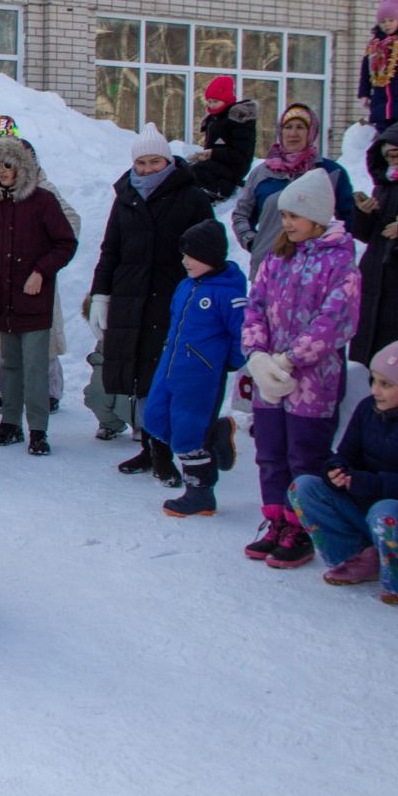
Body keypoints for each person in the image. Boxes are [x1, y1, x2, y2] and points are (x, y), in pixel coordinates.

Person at [242, 167, 362, 569]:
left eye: (295, 215)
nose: (287, 222)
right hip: (268, 377)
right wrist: (257, 356)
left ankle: (301, 525)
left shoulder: (340, 262)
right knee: (270, 451)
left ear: (319, 216)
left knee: (304, 455)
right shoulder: (277, 257)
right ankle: (275, 520)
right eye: (285, 215)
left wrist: (289, 358)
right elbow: (255, 306)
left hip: (312, 380)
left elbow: (334, 322)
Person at [89, 123, 214, 484]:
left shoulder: (191, 197)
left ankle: (167, 452)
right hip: (131, 297)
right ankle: (149, 446)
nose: (146, 169)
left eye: (154, 162)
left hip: (172, 297)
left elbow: (208, 247)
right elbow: (110, 248)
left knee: (164, 376)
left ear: (168, 161)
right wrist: (101, 292)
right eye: (140, 163)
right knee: (140, 379)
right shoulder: (125, 195)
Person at [0, 136, 78, 456]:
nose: (4, 171)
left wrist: (41, 271)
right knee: (10, 364)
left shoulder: (43, 200)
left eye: (9, 165)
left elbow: (66, 243)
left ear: (23, 166)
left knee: (35, 366)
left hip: (33, 297)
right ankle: (10, 423)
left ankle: (37, 429)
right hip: (3, 298)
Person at [289, 339, 398, 605]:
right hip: (368, 507)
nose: (375, 390)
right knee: (305, 488)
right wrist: (336, 470)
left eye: (386, 384)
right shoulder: (368, 408)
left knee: (386, 513)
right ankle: (360, 557)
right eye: (374, 380)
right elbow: (346, 453)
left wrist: (373, 484)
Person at [140, 220, 246, 517]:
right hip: (171, 366)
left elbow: (243, 335)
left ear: (211, 255)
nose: (184, 261)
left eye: (191, 255)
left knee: (187, 432)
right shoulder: (185, 286)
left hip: (201, 374)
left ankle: (200, 492)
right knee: (154, 418)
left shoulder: (229, 294)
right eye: (184, 254)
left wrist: (229, 362)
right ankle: (215, 433)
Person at [231, 103, 353, 277]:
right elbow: (241, 215)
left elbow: (348, 219)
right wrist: (253, 242)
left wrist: (331, 247)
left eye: (300, 127)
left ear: (311, 131)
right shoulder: (262, 172)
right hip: (268, 267)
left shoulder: (330, 172)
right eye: (288, 127)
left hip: (314, 271)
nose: (293, 133)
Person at [349, 121, 398, 374]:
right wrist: (363, 214)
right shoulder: (383, 187)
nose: (395, 161)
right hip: (376, 283)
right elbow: (368, 236)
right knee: (371, 360)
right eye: (390, 156)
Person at [187, 75, 257, 202]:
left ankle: (213, 193)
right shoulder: (216, 118)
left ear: (227, 99)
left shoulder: (238, 119)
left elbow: (241, 155)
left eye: (216, 101)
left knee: (196, 171)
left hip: (232, 169)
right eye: (209, 101)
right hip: (216, 165)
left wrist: (212, 154)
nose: (212, 105)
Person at [358, 0, 398, 133]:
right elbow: (365, 71)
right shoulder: (374, 44)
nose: (387, 25)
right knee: (383, 136)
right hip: (380, 101)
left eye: (391, 20)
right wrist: (364, 93)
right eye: (383, 22)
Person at [81, 294, 131, 441]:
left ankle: (143, 427)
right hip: (106, 358)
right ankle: (110, 424)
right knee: (95, 393)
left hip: (135, 361)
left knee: (126, 400)